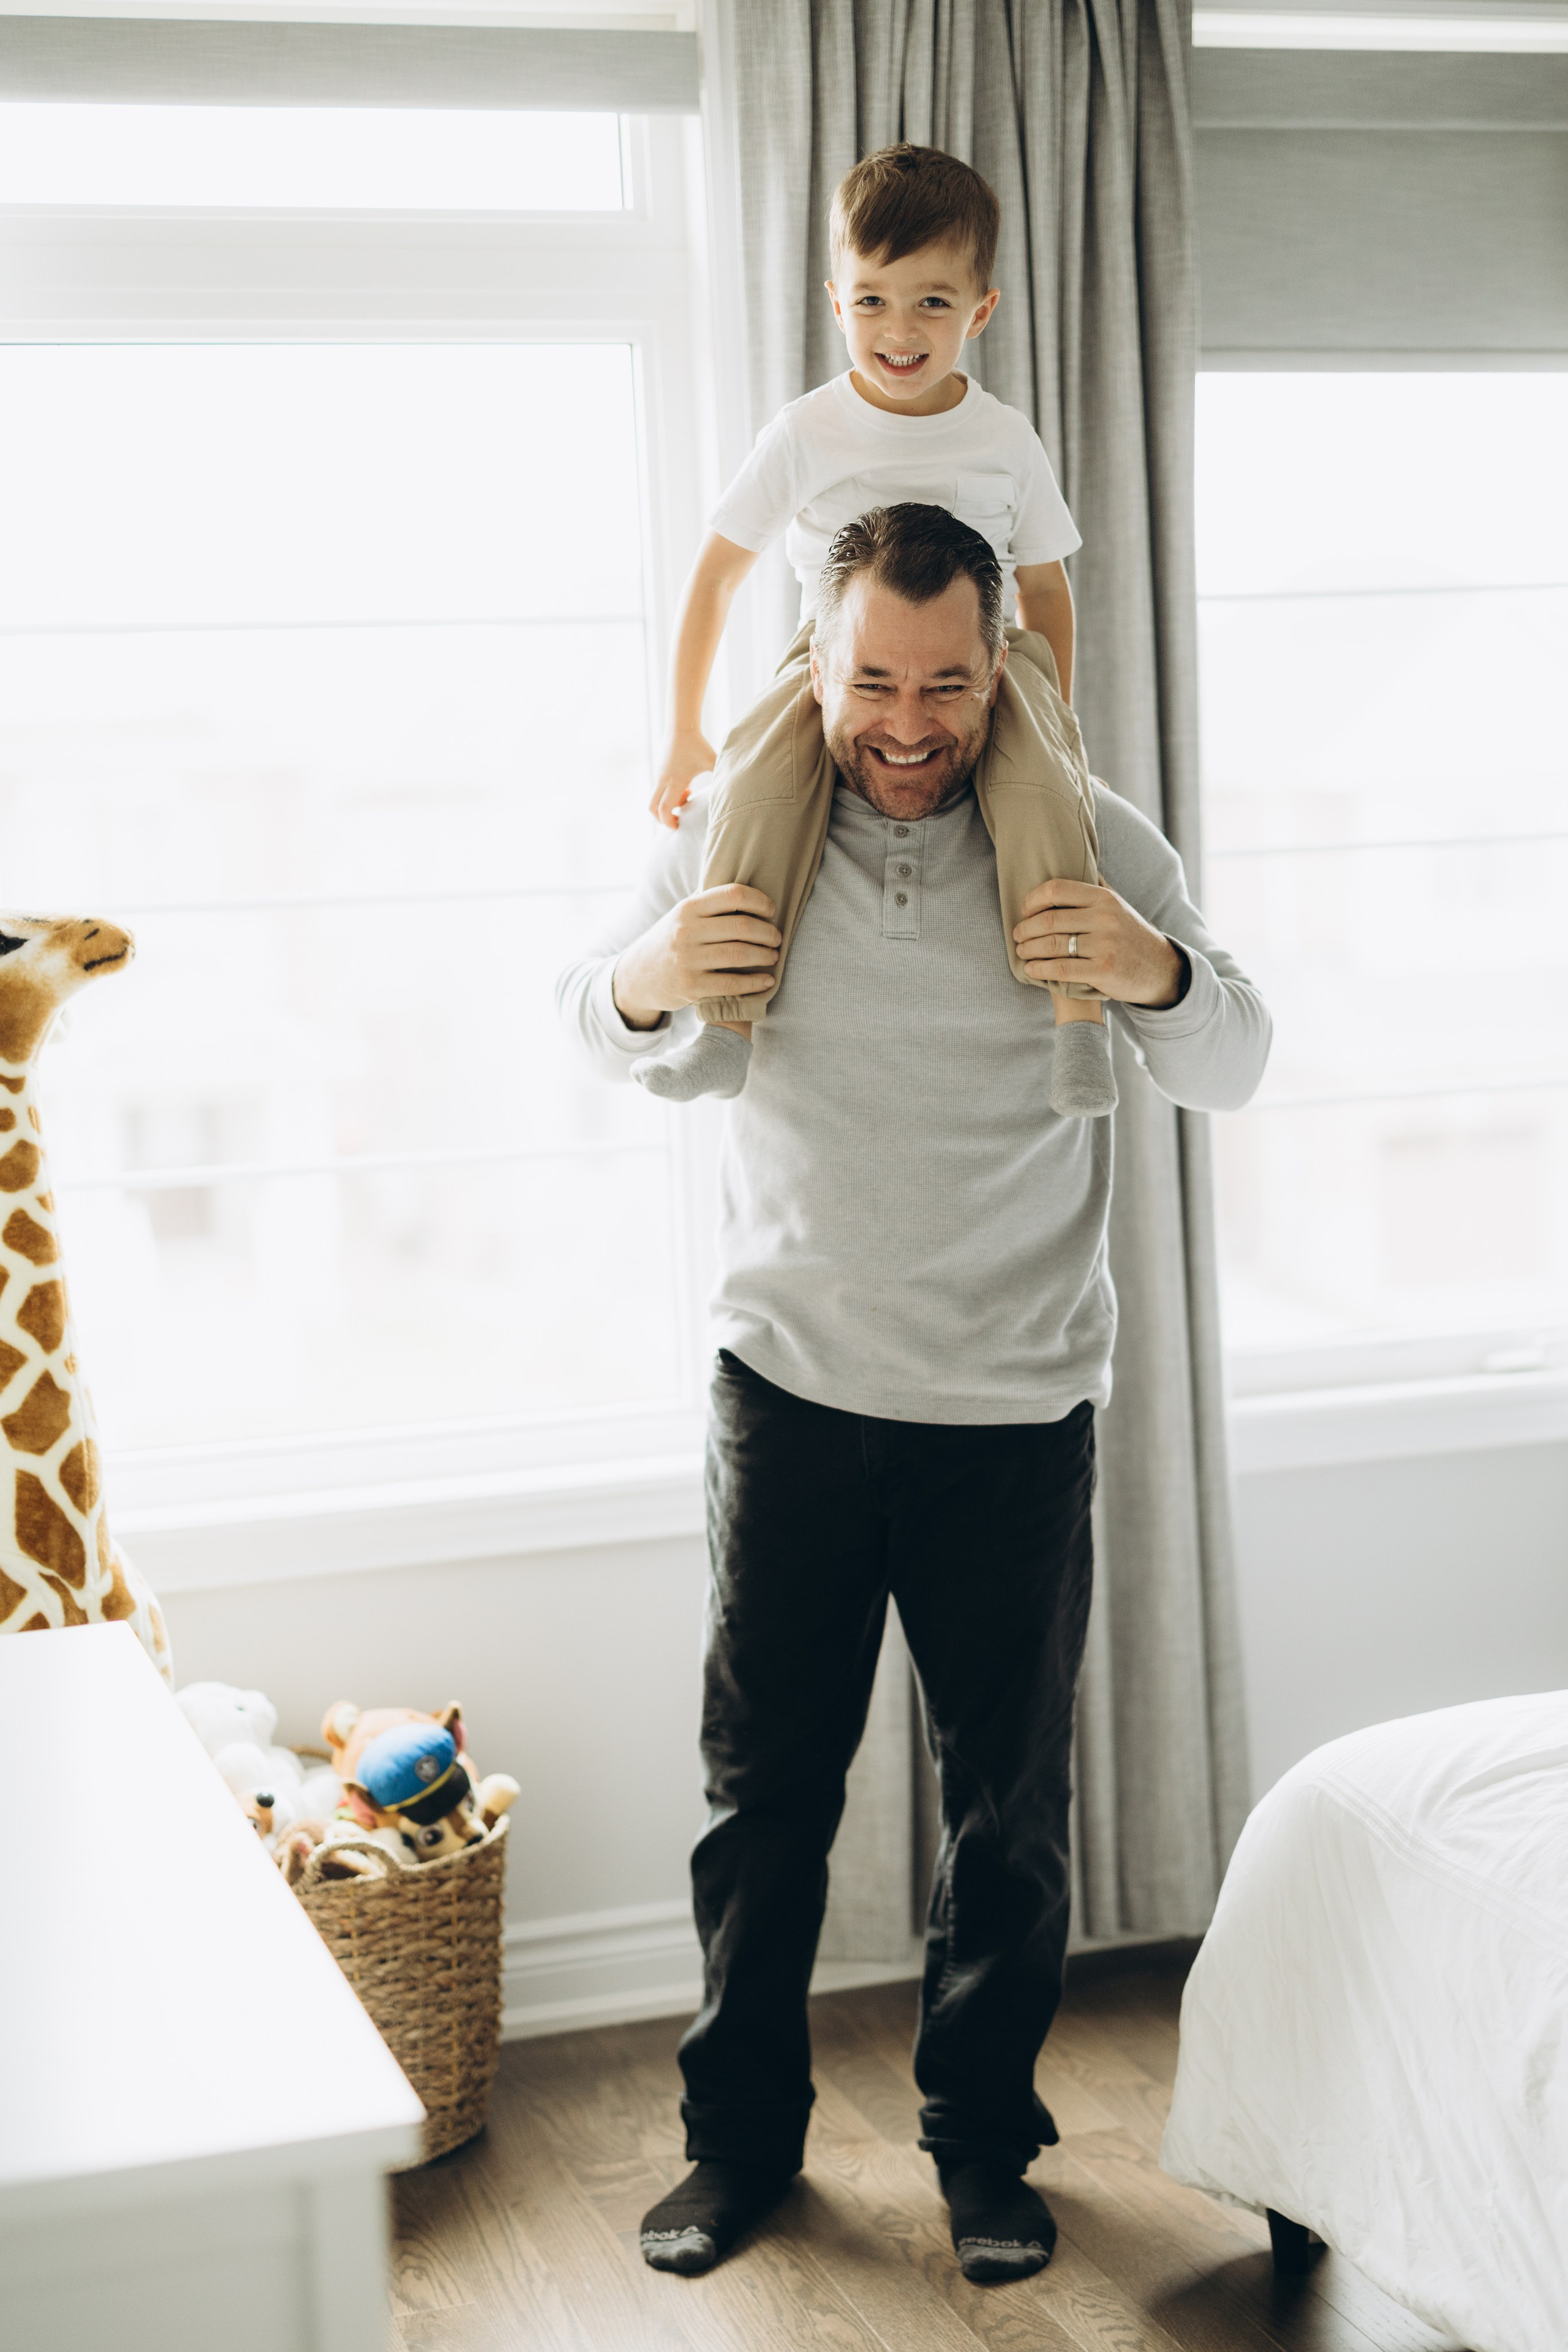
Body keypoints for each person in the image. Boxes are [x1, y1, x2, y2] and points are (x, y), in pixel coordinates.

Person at [556, 503, 1270, 2286]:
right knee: (763, 1800)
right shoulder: (738, 830)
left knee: (1006, 1815)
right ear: (817, 659)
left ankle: (982, 2150)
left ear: (999, 666)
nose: (905, 722)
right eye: (872, 678)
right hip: (789, 1393)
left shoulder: (1088, 837)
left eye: (946, 684)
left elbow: (1239, 1055)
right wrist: (649, 980)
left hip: (1013, 1413)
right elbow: (583, 1014)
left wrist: (1152, 969)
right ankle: (737, 2149)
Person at [635, 141, 1117, 1120]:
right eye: (872, 301)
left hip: (982, 664)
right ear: (835, 301)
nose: (900, 330)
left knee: (1045, 806)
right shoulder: (806, 434)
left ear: (980, 311)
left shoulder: (1005, 439)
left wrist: (1052, 719)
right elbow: (717, 575)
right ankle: (726, 1030)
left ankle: (1079, 1026)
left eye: (932, 302)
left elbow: (1046, 590)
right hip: (834, 662)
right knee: (757, 791)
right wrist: (685, 729)